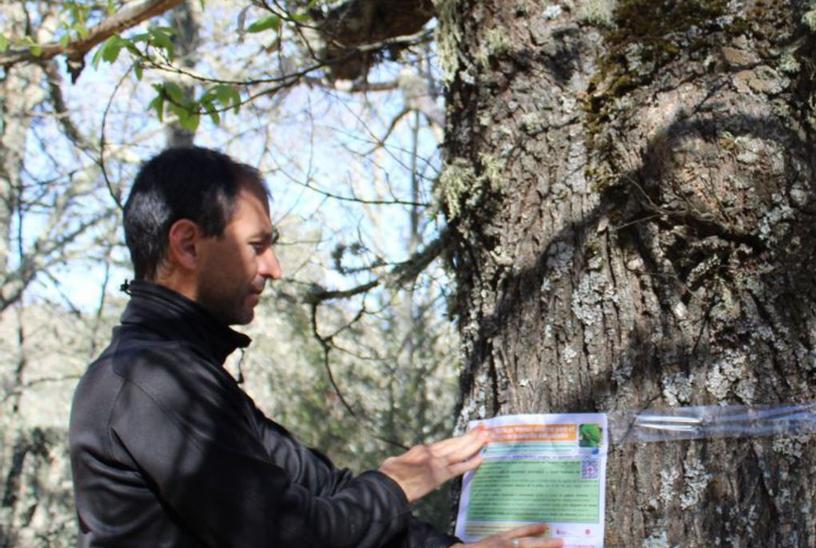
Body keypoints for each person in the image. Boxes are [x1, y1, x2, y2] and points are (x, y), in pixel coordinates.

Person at [69, 147, 561, 548]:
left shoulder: (187, 373)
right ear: (188, 245)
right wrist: (397, 483)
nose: (274, 268)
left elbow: (322, 491)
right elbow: (289, 535)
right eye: (257, 246)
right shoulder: (151, 382)